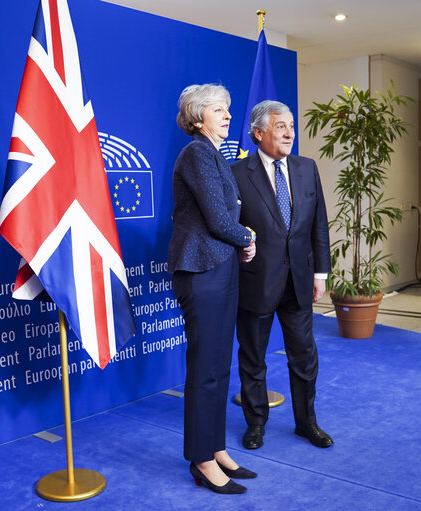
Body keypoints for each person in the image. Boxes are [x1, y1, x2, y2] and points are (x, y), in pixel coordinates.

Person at [167, 84, 258, 494]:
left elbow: (222, 222)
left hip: (220, 268)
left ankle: (216, 447)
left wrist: (241, 238)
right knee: (205, 369)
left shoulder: (213, 156)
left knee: (220, 365)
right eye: (219, 110)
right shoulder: (196, 154)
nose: (227, 116)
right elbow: (220, 220)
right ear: (198, 116)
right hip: (202, 271)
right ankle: (201, 460)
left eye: (228, 109)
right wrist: (247, 237)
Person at [231, 100, 333, 450]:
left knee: (304, 356)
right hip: (255, 281)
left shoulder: (307, 168)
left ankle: (307, 423)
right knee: (253, 357)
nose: (290, 132)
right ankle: (256, 423)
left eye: (291, 125)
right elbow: (230, 228)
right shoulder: (236, 173)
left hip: (300, 282)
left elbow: (319, 224)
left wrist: (321, 272)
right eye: (280, 126)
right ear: (259, 133)